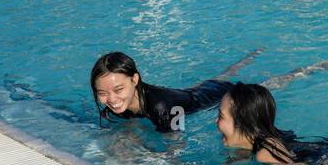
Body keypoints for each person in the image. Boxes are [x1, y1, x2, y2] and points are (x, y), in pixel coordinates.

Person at [90, 49, 262, 133]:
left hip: (211, 97)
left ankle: (289, 74)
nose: (111, 99)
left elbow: (175, 144)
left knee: (261, 89)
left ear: (134, 80)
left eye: (118, 89)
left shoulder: (162, 107)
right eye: (102, 93)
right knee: (217, 78)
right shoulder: (122, 101)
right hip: (189, 92)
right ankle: (249, 58)